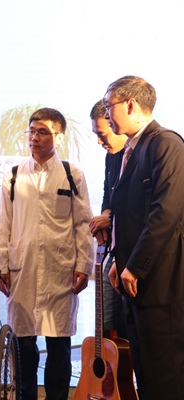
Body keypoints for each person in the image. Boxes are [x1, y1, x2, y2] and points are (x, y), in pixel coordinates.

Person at [0, 107, 94, 400]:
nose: (34, 138)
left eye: (43, 132)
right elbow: (2, 224)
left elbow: (83, 224)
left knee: (59, 345)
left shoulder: (72, 175)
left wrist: (84, 265)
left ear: (58, 137)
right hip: (22, 269)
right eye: (31, 131)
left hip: (60, 270)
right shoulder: (13, 176)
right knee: (23, 344)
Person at [105, 75, 184, 399]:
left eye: (109, 106)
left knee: (165, 376)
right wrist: (118, 259)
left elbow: (165, 212)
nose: (106, 114)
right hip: (135, 280)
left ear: (130, 105)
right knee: (146, 373)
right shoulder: (132, 149)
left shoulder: (166, 144)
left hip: (159, 281)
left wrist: (135, 265)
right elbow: (128, 212)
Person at [88, 99, 128, 339]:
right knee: (106, 322)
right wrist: (104, 217)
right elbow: (108, 195)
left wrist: (110, 219)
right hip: (113, 248)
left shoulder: (138, 154)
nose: (99, 141)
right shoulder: (111, 156)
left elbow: (142, 207)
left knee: (125, 325)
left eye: (102, 134)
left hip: (133, 251)